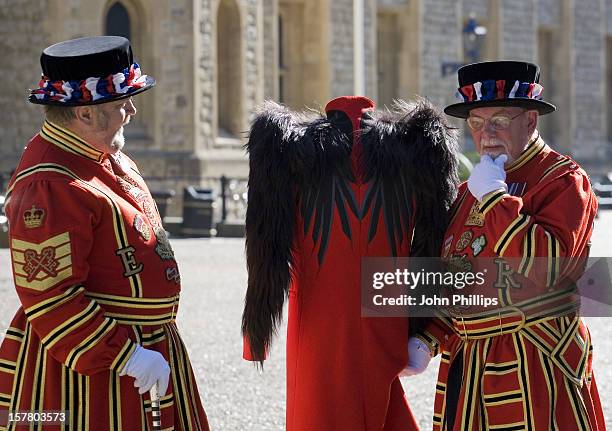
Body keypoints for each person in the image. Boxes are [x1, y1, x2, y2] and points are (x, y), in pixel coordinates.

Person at [0, 36, 209, 430]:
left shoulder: (104, 155)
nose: (131, 112)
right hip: (90, 372)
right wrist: (125, 356)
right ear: (84, 113)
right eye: (119, 105)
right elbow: (49, 295)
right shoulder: (50, 182)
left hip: (141, 352)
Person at [406, 61, 606, 430]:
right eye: (477, 124)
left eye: (499, 121)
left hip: (536, 363)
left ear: (530, 120)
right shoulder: (469, 192)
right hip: (469, 369)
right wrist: (426, 339)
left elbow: (546, 270)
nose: (486, 135)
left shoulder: (563, 180)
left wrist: (496, 200)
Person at [241, 96, 458, 430]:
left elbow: (265, 246)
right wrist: (423, 330)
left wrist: (255, 332)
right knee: (379, 406)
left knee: (320, 412)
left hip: (318, 316)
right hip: (385, 311)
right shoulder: (414, 148)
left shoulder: (290, 147)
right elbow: (432, 241)